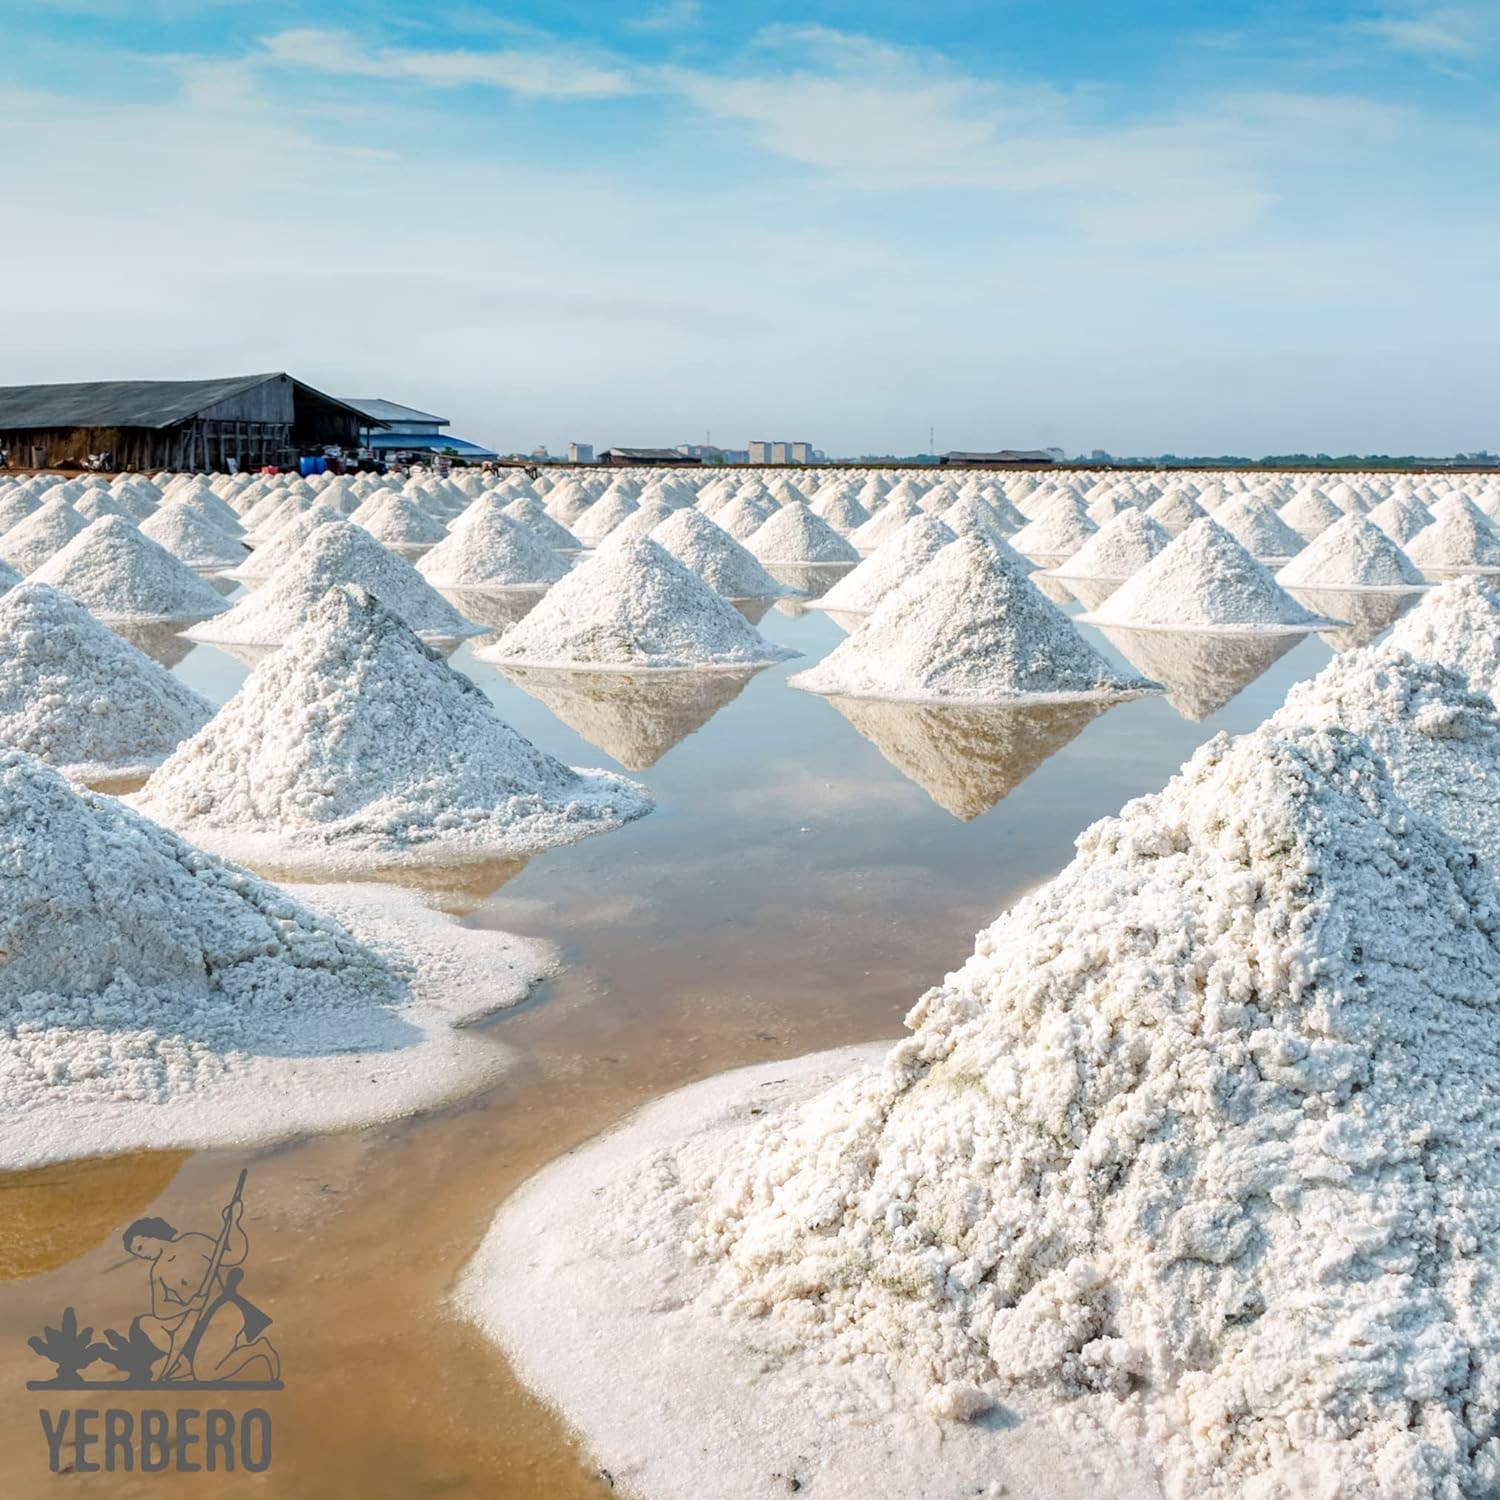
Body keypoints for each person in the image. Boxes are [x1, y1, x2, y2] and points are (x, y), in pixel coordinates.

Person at [122, 1198, 280, 1384]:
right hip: (191, 1317)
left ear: (152, 1236)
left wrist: (235, 1221)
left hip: (220, 1308)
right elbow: (160, 1309)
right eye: (137, 1253)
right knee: (146, 1322)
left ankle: (258, 1350)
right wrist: (187, 1306)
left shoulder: (192, 1242)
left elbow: (234, 1257)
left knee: (206, 1374)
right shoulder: (157, 1271)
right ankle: (180, 1363)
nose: (142, 1254)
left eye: (140, 1247)